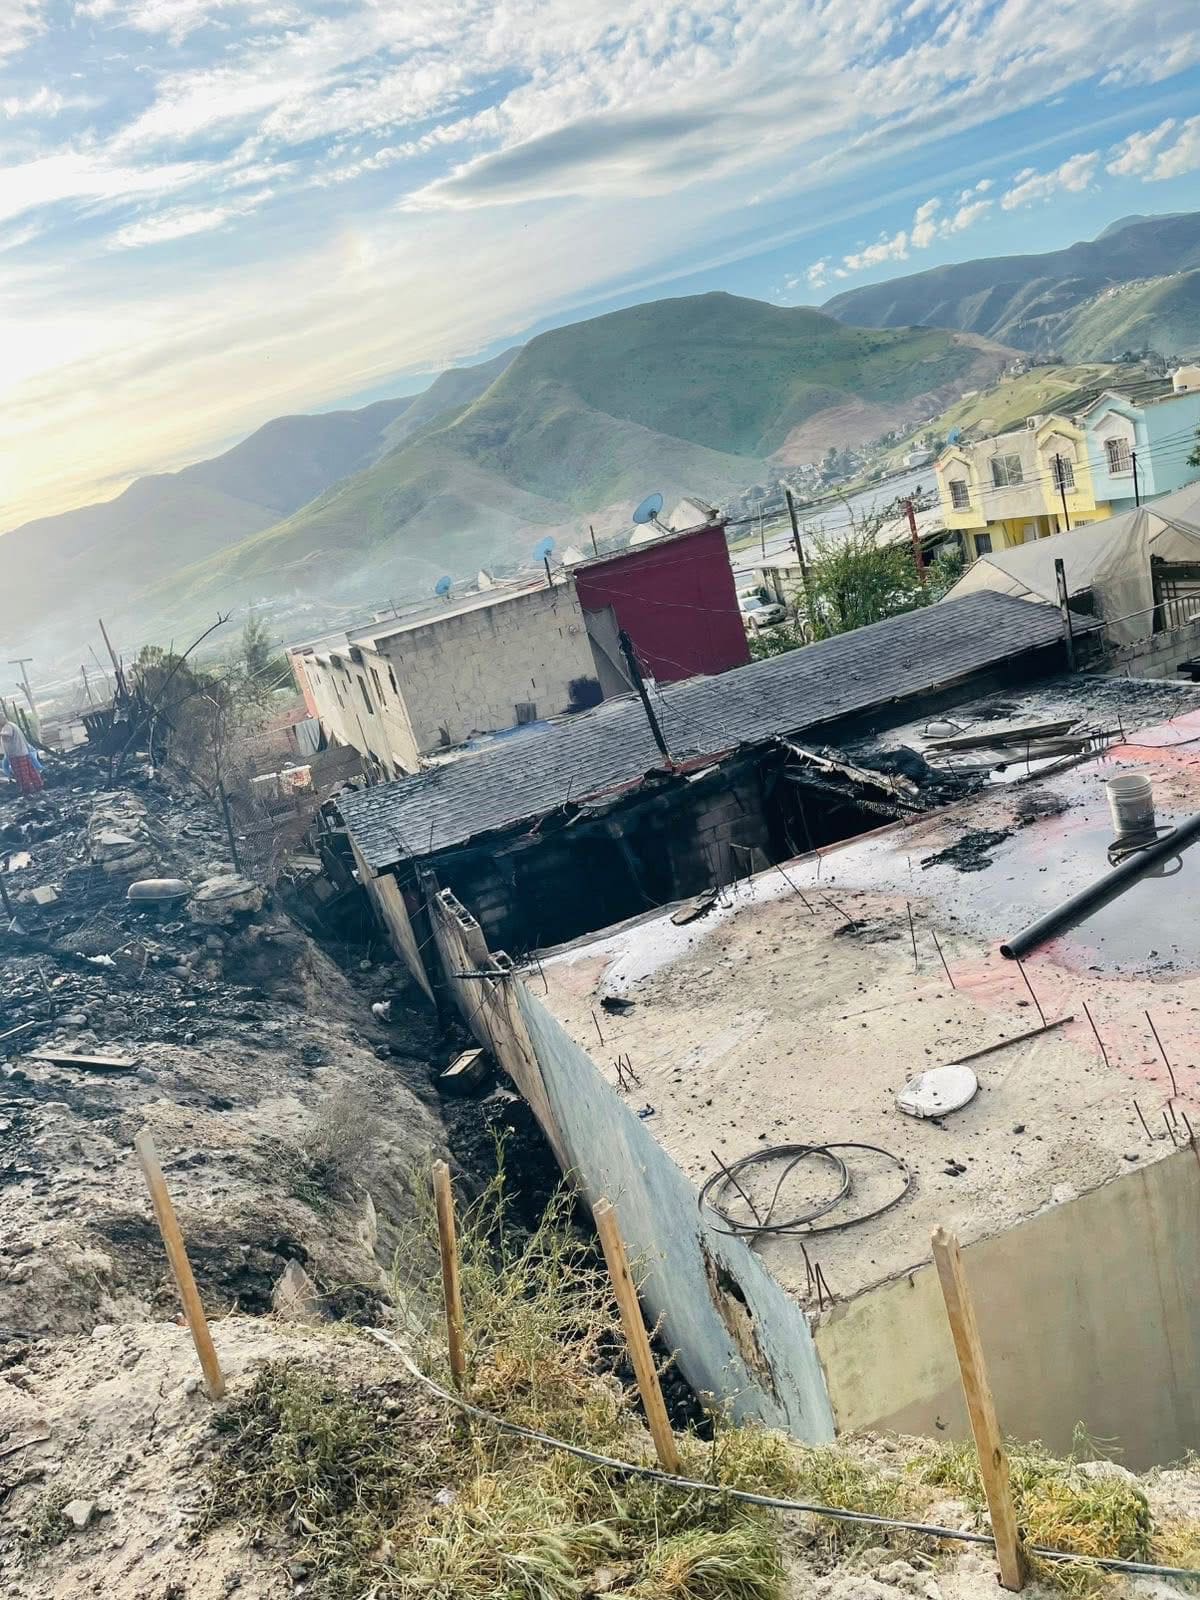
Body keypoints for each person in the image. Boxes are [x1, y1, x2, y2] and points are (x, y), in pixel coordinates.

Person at [1, 720, 43, 796]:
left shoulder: (7, 727)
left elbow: (6, 736)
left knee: (21, 773)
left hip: (16, 754)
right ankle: (38, 786)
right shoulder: (12, 725)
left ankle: (28, 791)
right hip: (23, 752)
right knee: (30, 771)